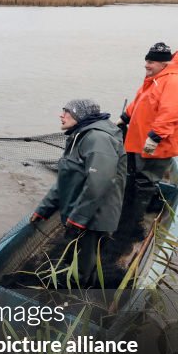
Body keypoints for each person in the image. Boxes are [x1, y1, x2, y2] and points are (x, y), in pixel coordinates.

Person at [31, 99, 127, 287]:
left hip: (94, 216)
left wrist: (78, 219)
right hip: (80, 211)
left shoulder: (97, 139)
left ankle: (74, 296)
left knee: (84, 263)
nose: (62, 115)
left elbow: (98, 183)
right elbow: (64, 181)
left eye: (67, 112)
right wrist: (43, 209)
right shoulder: (79, 136)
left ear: (80, 116)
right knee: (73, 253)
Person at [117, 42, 178, 230]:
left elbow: (170, 112)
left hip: (158, 144)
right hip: (140, 139)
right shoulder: (155, 78)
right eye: (146, 61)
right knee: (136, 177)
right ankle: (131, 212)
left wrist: (155, 137)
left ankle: (134, 223)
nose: (146, 65)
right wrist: (125, 117)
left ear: (163, 64)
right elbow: (141, 100)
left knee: (146, 181)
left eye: (150, 62)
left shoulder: (173, 82)